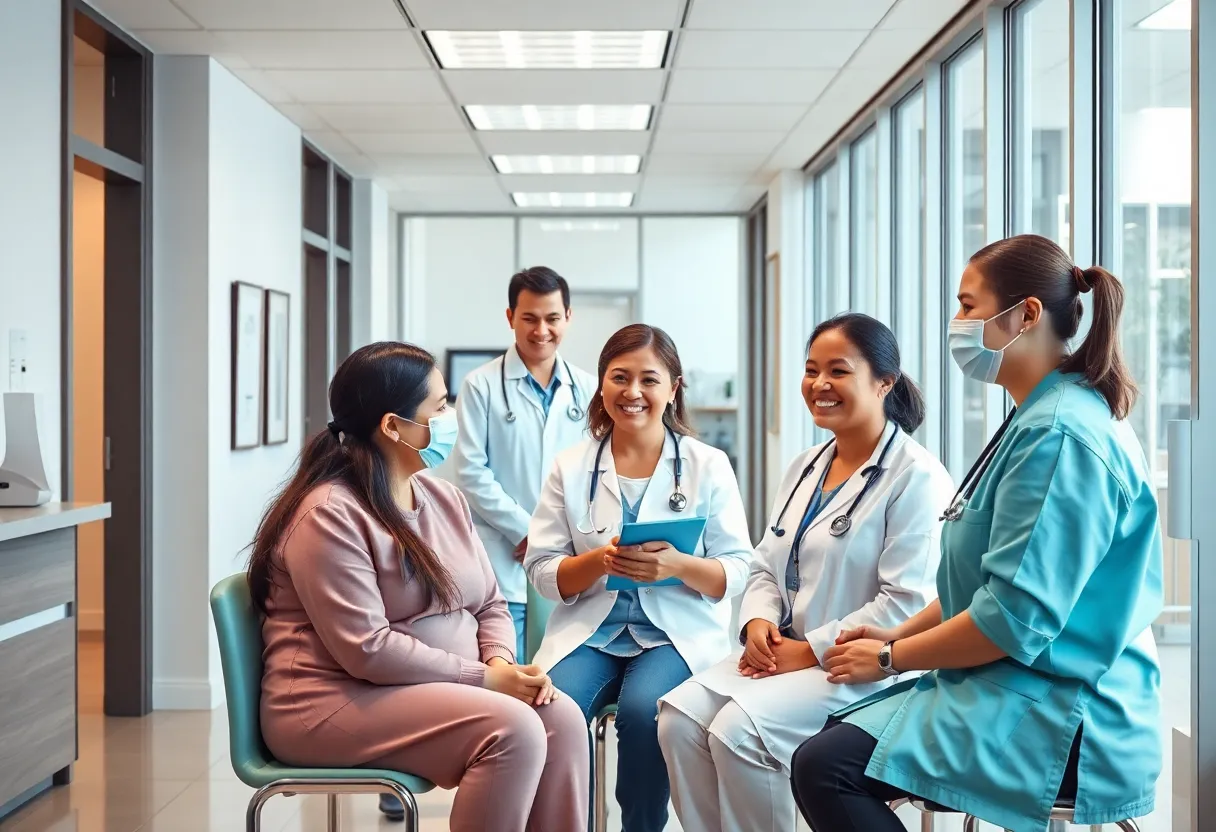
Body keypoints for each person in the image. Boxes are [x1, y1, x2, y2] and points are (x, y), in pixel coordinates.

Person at [790, 234, 1163, 832]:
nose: (957, 323)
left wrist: (889, 657)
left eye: (968, 306)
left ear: (1027, 315)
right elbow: (990, 583)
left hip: (1067, 713)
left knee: (827, 767)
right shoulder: (1038, 416)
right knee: (832, 740)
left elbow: (1012, 619)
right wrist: (899, 633)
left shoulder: (1059, 436)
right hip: (1018, 682)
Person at [250, 342, 589, 831]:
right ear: (393, 426)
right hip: (329, 701)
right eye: (441, 406)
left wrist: (498, 662)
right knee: (512, 728)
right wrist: (484, 680)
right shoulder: (329, 514)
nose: (451, 418)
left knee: (562, 719)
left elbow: (490, 603)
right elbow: (367, 649)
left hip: (421, 688)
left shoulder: (444, 497)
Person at [655, 313, 954, 832]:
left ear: (884, 382)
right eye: (811, 370)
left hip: (860, 666)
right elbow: (765, 563)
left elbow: (906, 601)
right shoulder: (805, 467)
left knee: (738, 732)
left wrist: (808, 651)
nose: (819, 384)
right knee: (677, 720)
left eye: (838, 371)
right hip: (784, 656)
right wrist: (757, 623)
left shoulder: (917, 477)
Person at [525, 324, 753, 832]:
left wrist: (678, 566)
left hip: (673, 634)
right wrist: (599, 562)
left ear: (673, 388)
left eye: (649, 379)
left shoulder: (707, 465)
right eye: (619, 377)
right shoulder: (570, 467)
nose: (633, 392)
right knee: (553, 710)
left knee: (644, 711)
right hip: (590, 631)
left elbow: (738, 569)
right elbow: (541, 570)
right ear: (601, 383)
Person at [452, 266, 596, 661]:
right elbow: (471, 471)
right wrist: (525, 532)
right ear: (510, 317)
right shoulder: (480, 385)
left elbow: (595, 470)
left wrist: (554, 536)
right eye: (529, 318)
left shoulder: (588, 388)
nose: (541, 330)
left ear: (568, 317)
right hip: (503, 556)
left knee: (560, 667)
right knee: (504, 664)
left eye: (552, 318)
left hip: (569, 552)